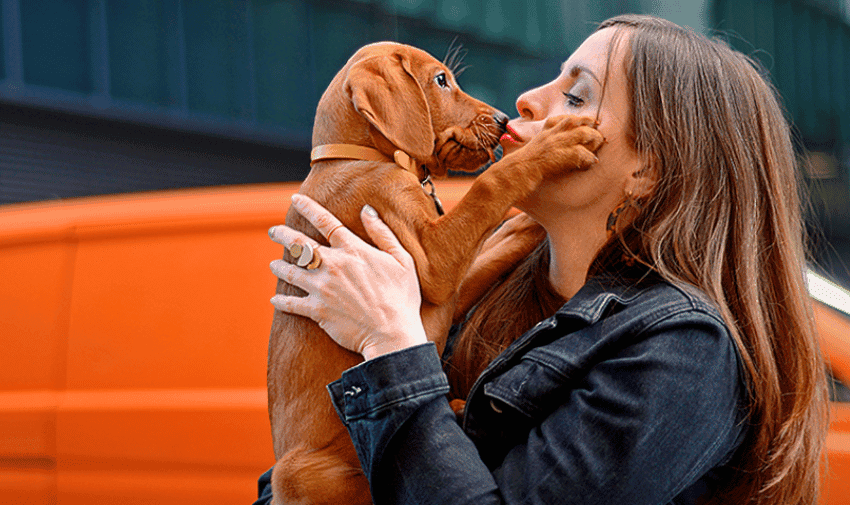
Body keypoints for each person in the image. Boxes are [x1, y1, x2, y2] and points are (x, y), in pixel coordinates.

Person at [258, 14, 827, 505]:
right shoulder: (498, 292)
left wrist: (391, 347)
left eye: (576, 97)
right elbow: (290, 479)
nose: (527, 100)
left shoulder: (685, 352)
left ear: (646, 172)